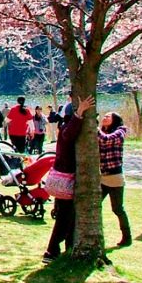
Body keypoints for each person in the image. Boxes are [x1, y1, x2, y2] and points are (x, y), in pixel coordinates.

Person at [43, 95, 95, 263]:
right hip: (65, 181)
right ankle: (51, 251)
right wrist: (80, 113)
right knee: (64, 217)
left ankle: (68, 246)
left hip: (63, 180)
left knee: (69, 216)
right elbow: (69, 133)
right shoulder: (66, 129)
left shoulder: (65, 127)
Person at [98, 111, 131, 247]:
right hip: (102, 176)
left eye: (108, 116)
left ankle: (127, 237)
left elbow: (107, 140)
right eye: (104, 116)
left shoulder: (120, 132)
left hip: (115, 176)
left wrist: (95, 129)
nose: (105, 118)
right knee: (95, 204)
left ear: (115, 120)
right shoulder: (101, 132)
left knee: (117, 208)